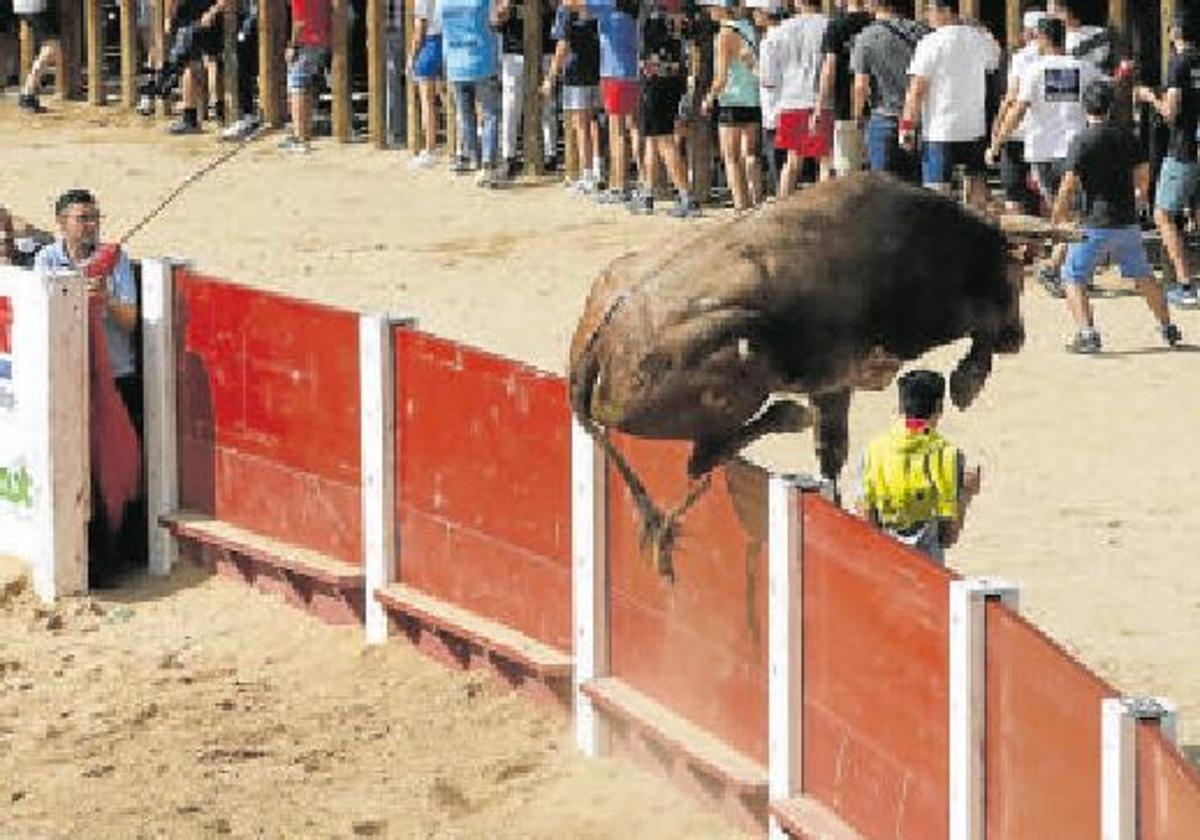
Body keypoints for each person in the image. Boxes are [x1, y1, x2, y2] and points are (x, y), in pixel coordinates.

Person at [34, 190, 143, 586]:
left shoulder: (115, 259)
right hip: (68, 383)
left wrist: (106, 297)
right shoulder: (47, 260)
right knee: (78, 471)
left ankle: (119, 558)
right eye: (82, 218)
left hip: (116, 377)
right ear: (61, 223)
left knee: (116, 470)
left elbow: (130, 322)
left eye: (95, 217)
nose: (91, 225)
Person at [1051, 79, 1182, 354]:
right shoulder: (1127, 136)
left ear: (1085, 107)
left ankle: (1087, 333)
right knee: (1144, 277)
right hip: (1126, 222)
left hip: (1093, 223)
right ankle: (1168, 327)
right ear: (1111, 107)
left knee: (1072, 277)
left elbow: (1068, 184)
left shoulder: (1082, 140)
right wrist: (1139, 197)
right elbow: (1144, 176)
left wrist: (1057, 216)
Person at [857, 369, 979, 565]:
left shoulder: (872, 452)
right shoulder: (949, 456)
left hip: (884, 566)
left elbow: (866, 523)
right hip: (928, 574)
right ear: (939, 407)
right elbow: (948, 537)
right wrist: (966, 493)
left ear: (900, 407)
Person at [987, 17, 1096, 209]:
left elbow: (1018, 110)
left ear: (1043, 38)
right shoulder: (1085, 68)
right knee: (1074, 206)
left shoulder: (1034, 70)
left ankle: (1062, 236)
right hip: (1075, 147)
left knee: (1055, 204)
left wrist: (997, 142)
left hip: (1043, 149)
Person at [900, 0, 1000, 209]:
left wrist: (907, 126)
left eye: (930, 10)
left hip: (940, 129)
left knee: (936, 196)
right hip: (974, 126)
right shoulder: (981, 39)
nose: (928, 15)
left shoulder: (931, 42)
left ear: (945, 11)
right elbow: (994, 63)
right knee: (975, 194)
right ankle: (975, 237)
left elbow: (917, 88)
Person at [1137, 11, 1200, 310]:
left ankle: (1186, 284)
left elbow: (1170, 111)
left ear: (1175, 32)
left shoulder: (1178, 63)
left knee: (1163, 214)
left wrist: (1149, 96)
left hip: (1182, 147)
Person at [630, 0, 699, 217]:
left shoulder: (654, 18)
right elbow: (691, 54)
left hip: (658, 83)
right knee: (653, 139)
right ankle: (648, 193)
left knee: (664, 140)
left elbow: (647, 58)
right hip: (674, 82)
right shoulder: (685, 18)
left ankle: (686, 196)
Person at [849, 0, 924, 183]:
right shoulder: (921, 32)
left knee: (884, 186)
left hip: (883, 117)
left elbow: (860, 85)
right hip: (917, 118)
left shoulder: (866, 37)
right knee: (916, 186)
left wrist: (857, 115)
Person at [763, 0, 828, 197]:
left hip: (791, 99)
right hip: (821, 99)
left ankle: (783, 209)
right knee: (824, 160)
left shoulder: (780, 30)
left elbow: (769, 80)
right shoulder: (829, 25)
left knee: (792, 160)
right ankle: (826, 212)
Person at [702, 0, 762, 211]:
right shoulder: (748, 28)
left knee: (731, 157)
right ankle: (756, 201)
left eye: (710, 7)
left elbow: (720, 77)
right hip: (752, 98)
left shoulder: (724, 35)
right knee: (751, 155)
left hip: (732, 100)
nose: (709, 12)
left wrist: (709, 98)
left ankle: (740, 206)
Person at [493, 0, 558, 178]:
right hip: (514, 51)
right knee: (511, 105)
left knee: (546, 105)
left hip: (545, 48)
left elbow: (557, 9)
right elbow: (495, 20)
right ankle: (509, 157)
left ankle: (550, 154)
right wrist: (505, 6)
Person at [441, 0, 503, 184]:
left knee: (466, 115)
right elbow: (495, 20)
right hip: (481, 59)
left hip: (454, 61)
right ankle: (487, 165)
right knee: (490, 114)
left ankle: (476, 161)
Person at [990, 8, 1045, 214]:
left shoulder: (1022, 57)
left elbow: (1012, 97)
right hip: (1043, 134)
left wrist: (998, 126)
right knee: (1044, 192)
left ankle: (1023, 243)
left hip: (1018, 132)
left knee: (1013, 192)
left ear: (1029, 32)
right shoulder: (1063, 57)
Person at [543, 0, 602, 193]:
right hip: (598, 69)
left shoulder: (566, 9)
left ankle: (587, 175)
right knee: (594, 122)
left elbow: (562, 46)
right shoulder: (596, 5)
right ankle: (598, 169)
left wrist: (550, 77)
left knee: (581, 125)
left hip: (576, 72)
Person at [817, 0, 871, 178]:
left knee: (847, 173)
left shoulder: (836, 26)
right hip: (877, 108)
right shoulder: (874, 23)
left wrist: (820, 104)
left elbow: (829, 68)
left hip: (845, 105)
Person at [596, 0, 641, 204]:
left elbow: (571, 3)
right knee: (629, 128)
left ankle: (619, 186)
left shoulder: (608, 5)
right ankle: (626, 182)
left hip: (614, 75)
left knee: (617, 132)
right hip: (629, 73)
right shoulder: (629, 13)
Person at [279, 0, 331, 152]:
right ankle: (304, 133)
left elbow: (299, 22)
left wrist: (292, 46)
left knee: (297, 88)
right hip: (320, 40)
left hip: (305, 41)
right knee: (306, 87)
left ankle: (299, 138)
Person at [751, 0, 786, 197]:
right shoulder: (788, 35)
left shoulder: (768, 42)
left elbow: (768, 80)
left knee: (776, 159)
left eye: (756, 12)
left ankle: (780, 196)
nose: (754, 16)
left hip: (774, 108)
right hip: (791, 103)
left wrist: (751, 66)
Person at [407, 0, 444, 168]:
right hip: (447, 39)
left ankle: (430, 150)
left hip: (429, 43)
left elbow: (420, 28)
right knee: (451, 98)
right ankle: (460, 148)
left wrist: (412, 56)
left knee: (426, 102)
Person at [221, 0, 262, 140]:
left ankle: (251, 116)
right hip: (247, 19)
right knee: (242, 70)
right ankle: (248, 115)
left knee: (245, 68)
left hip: (257, 20)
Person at [15, 0, 62, 113]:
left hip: (23, 6)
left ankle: (30, 92)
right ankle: (28, 92)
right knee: (52, 47)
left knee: (51, 46)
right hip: (37, 6)